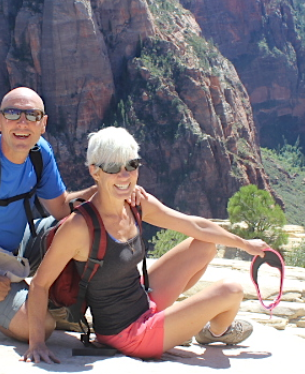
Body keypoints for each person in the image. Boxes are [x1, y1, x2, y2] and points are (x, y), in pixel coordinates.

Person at [22, 126, 270, 363]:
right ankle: (216, 332)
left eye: (131, 165)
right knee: (231, 290)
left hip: (143, 300)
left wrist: (245, 244)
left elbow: (196, 226)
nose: (124, 176)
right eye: (113, 167)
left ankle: (188, 324)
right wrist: (37, 344)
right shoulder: (79, 227)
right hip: (127, 333)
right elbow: (40, 285)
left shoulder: (135, 203)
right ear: (94, 171)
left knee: (205, 246)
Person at [0, 87, 143, 341]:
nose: (22, 122)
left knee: (82, 227)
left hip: (19, 246)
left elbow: (62, 209)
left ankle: (56, 301)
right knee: (41, 326)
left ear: (43, 124)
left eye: (32, 116)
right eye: (13, 113)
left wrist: (108, 188)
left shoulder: (39, 153)